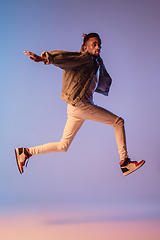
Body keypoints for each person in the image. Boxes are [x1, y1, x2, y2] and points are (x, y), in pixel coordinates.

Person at [15, 33, 145, 176]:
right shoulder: (85, 58)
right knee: (118, 122)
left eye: (99, 45)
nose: (98, 47)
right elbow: (67, 58)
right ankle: (125, 162)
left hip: (75, 108)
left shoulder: (93, 61)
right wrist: (45, 58)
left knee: (63, 146)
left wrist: (88, 39)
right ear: (85, 48)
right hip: (81, 105)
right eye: (94, 44)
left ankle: (26, 152)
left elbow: (89, 59)